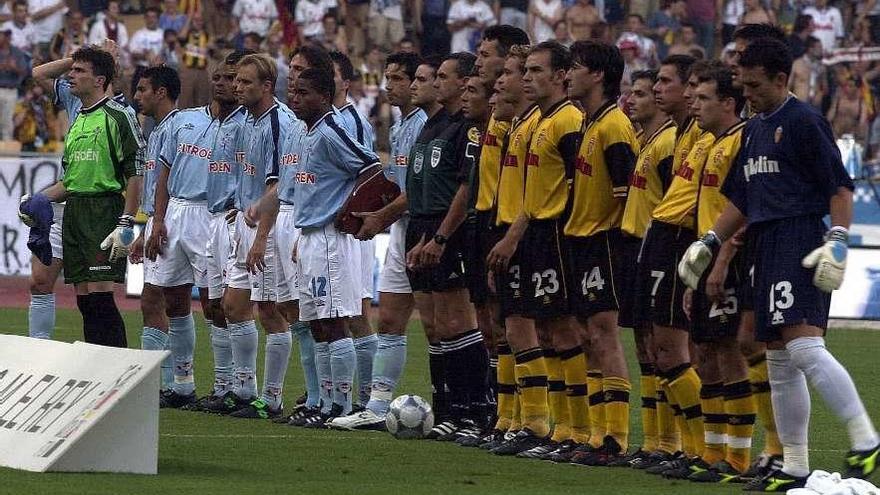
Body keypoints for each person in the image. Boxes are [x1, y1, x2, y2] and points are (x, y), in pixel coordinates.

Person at [679, 37, 879, 492]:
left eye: (753, 85)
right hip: (764, 244)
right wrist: (711, 239)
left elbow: (840, 188)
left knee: (804, 347)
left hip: (798, 238)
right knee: (777, 360)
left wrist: (840, 240)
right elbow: (743, 197)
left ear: (780, 79)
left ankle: (867, 439)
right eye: (743, 84)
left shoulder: (805, 121)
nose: (746, 93)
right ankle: (794, 466)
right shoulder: (754, 128)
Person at [486, 41, 581, 456]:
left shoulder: (565, 120)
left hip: (547, 234)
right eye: (518, 71)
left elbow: (559, 191)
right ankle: (528, 422)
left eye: (529, 70)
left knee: (552, 330)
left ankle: (549, 426)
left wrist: (514, 234)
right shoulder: (532, 122)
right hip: (520, 232)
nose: (521, 77)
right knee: (520, 327)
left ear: (559, 75)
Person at [328, 51, 429, 431]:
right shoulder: (402, 126)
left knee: (442, 324)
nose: (392, 86)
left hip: (422, 228)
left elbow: (419, 187)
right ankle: (378, 404)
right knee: (388, 320)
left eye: (401, 78)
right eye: (389, 78)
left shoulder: (422, 125)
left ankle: (462, 404)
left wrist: (380, 215)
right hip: (401, 229)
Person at [20, 46, 144, 347]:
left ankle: (120, 378)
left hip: (104, 212)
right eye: (71, 70)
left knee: (101, 298)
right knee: (85, 301)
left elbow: (137, 172)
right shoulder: (78, 121)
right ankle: (97, 374)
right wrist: (39, 199)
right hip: (76, 211)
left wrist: (127, 224)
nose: (71, 75)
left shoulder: (119, 115)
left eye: (79, 71)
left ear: (100, 80)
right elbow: (71, 182)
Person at [285, 67, 382, 423]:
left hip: (330, 237)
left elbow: (371, 168)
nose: (295, 98)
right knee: (316, 322)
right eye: (293, 91)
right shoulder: (307, 131)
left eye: (303, 92)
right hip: (309, 236)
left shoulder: (331, 130)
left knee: (335, 319)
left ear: (324, 96)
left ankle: (340, 404)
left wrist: (348, 209)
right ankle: (322, 402)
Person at [405, 53, 489, 440]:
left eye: (442, 76)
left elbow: (465, 186)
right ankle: (446, 407)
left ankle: (475, 409)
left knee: (459, 322)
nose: (436, 82)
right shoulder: (432, 126)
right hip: (423, 224)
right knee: (436, 326)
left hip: (447, 228)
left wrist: (440, 235)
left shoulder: (465, 129)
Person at [563, 40, 639, 466]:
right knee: (587, 338)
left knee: (604, 335)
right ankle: (596, 434)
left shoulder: (613, 127)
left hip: (603, 243)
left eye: (575, 67)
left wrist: (618, 246)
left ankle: (615, 439)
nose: (568, 74)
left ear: (597, 75)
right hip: (580, 239)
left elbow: (627, 194)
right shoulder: (591, 124)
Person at [629, 54, 705, 472]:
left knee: (676, 348)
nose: (658, 90)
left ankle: (695, 449)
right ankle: (668, 444)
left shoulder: (696, 136)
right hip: (654, 243)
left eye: (663, 82)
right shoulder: (676, 134)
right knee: (655, 349)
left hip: (677, 242)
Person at [680, 64, 754, 483]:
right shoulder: (711, 142)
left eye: (705, 98)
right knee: (704, 356)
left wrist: (723, 259)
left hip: (729, 259)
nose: (697, 104)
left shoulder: (740, 140)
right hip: (705, 258)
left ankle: (738, 459)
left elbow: (744, 209)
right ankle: (712, 452)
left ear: (728, 102)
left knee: (729, 354)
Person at [217, 53, 298, 419]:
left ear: (267, 86)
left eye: (246, 82)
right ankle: (245, 389)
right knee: (233, 306)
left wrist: (262, 234)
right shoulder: (247, 120)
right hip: (245, 223)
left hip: (269, 225)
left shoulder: (279, 121)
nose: (237, 87)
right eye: (236, 81)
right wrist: (240, 205)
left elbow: (279, 183)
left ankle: (273, 398)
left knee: (270, 310)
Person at [620, 68, 676, 466]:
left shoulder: (669, 143)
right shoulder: (645, 141)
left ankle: (672, 441)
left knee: (664, 346)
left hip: (657, 248)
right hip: (636, 249)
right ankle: (655, 441)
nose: (632, 99)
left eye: (640, 93)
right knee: (644, 345)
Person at [186, 50, 248, 412]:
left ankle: (245, 387)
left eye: (233, 78)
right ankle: (223, 384)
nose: (225, 84)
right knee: (211, 304)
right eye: (221, 78)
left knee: (236, 305)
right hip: (211, 218)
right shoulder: (218, 122)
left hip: (234, 219)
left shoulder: (248, 122)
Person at [328, 50, 379, 411]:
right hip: (333, 228)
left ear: (346, 82)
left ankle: (367, 396)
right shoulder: (324, 119)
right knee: (331, 312)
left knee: (357, 311)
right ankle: (337, 390)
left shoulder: (353, 121)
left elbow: (368, 172)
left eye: (329, 74)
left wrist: (354, 215)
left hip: (352, 228)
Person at [130, 66, 180, 401]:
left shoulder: (177, 128)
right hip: (157, 219)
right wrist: (141, 227)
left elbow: (172, 183)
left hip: (173, 219)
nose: (137, 97)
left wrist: (158, 222)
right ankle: (170, 382)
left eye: (143, 90)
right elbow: (150, 187)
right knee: (163, 301)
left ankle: (162, 382)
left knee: (156, 299)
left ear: (160, 92)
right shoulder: (155, 129)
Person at [0, 26, 28, 141]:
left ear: (7, 37)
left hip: (11, 90)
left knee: (7, 121)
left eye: (2, 34)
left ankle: (7, 150)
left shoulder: (17, 52)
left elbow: (24, 71)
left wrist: (13, 67)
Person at [788, 36, 826, 110]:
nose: (821, 50)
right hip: (799, 104)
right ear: (810, 49)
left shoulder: (821, 66)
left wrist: (820, 95)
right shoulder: (797, 64)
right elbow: (788, 86)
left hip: (815, 106)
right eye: (819, 47)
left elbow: (825, 87)